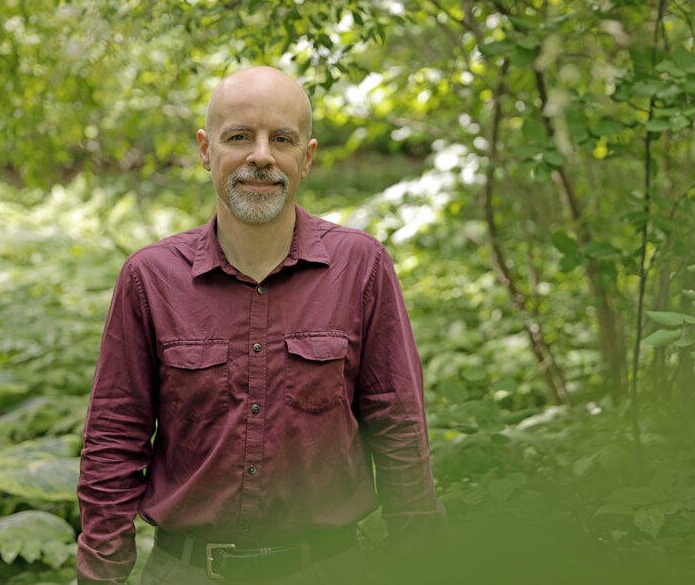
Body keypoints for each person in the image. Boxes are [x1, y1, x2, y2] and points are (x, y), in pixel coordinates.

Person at [76, 66, 444, 584]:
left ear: (307, 157)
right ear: (206, 150)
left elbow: (399, 430)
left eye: (283, 139)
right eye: (240, 136)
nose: (262, 155)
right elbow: (115, 439)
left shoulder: (361, 267)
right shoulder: (150, 277)